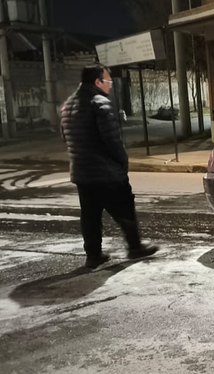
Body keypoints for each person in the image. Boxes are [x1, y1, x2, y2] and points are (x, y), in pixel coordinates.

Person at [60, 63, 158, 269]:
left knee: (90, 215)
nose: (110, 85)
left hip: (81, 173)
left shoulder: (68, 105)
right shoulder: (100, 103)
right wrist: (123, 162)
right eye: (108, 81)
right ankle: (134, 247)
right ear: (97, 82)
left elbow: (65, 137)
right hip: (105, 172)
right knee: (125, 208)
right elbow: (112, 140)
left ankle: (93, 255)